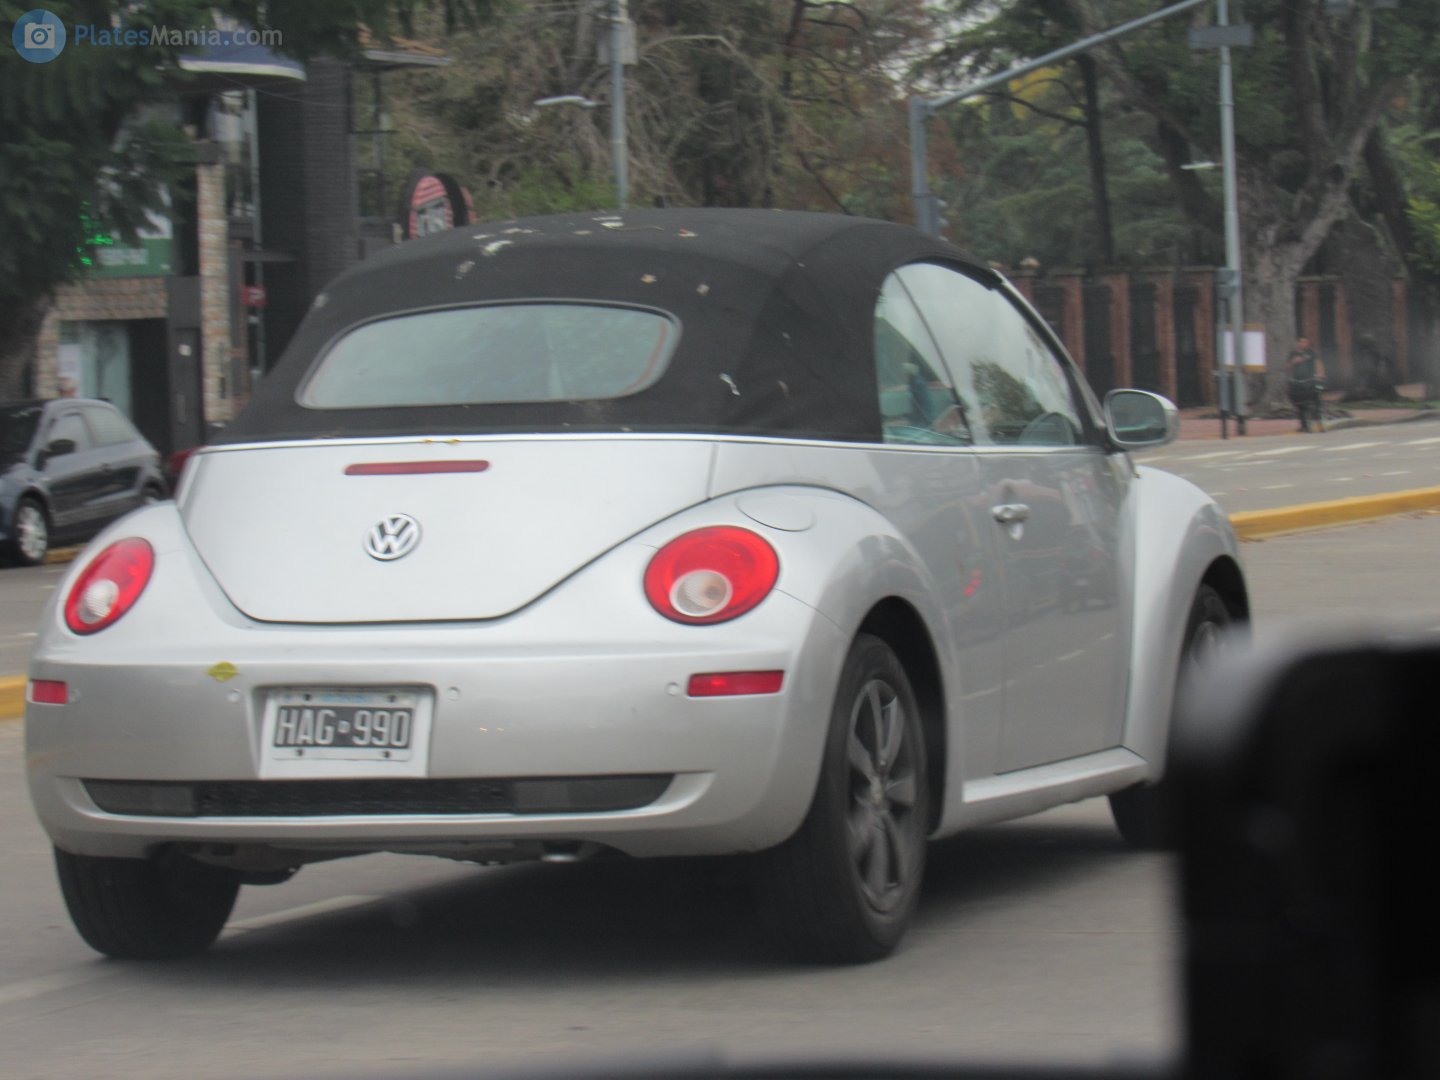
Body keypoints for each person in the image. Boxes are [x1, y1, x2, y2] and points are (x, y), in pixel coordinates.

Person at [1285, 336, 1323, 432]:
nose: (1303, 344)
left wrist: (1320, 375)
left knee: (1316, 403)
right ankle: (1304, 426)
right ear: (1298, 343)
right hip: (1297, 382)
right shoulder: (1293, 353)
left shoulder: (1311, 353)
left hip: (1310, 380)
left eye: (1305, 342)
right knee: (1300, 405)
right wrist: (1294, 362)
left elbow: (1318, 363)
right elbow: (1287, 366)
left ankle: (1319, 424)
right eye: (1301, 342)